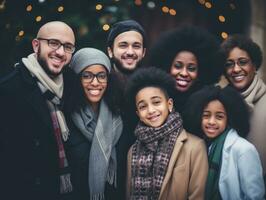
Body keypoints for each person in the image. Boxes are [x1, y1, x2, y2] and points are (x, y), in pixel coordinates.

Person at [0, 21, 77, 200]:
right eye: (53, 43)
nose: (60, 52)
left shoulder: (73, 84)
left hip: (67, 191)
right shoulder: (9, 90)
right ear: (36, 45)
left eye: (67, 47)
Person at [126, 67, 208, 200]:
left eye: (156, 102)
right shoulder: (133, 151)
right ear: (138, 114)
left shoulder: (195, 147)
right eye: (143, 106)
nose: (151, 110)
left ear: (169, 104)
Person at [182, 85, 265, 199]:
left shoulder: (244, 149)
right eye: (206, 115)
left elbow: (256, 196)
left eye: (219, 117)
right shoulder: (202, 146)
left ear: (228, 119)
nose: (211, 122)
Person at [66, 48, 123, 200]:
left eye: (101, 76)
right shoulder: (66, 119)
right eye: (87, 76)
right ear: (77, 79)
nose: (95, 82)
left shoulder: (119, 116)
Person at [106, 19, 147, 199]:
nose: (130, 52)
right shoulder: (97, 87)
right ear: (110, 51)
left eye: (136, 46)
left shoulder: (152, 91)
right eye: (123, 45)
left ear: (143, 52)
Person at [220, 34, 266, 183]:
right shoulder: (218, 102)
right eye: (229, 64)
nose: (236, 69)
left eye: (243, 62)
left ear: (255, 65)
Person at [148, 25, 223, 112]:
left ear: (200, 72)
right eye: (178, 66)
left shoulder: (207, 104)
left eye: (191, 68)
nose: (184, 73)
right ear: (167, 67)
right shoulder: (154, 98)